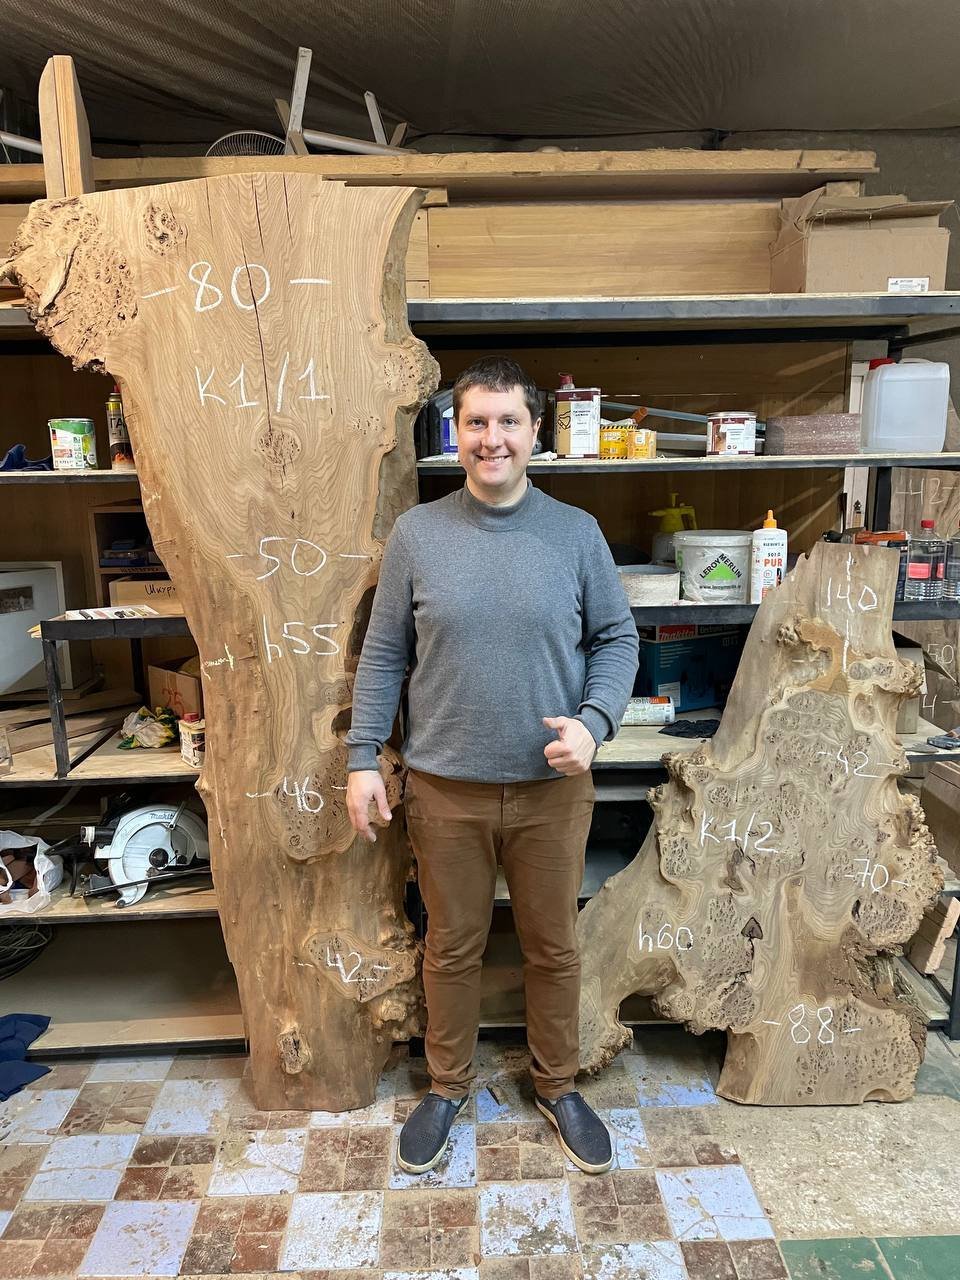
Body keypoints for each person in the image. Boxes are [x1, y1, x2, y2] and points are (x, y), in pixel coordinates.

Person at [346, 356, 638, 1176]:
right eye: (476, 422)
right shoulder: (418, 535)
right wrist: (362, 756)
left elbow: (618, 639)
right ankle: (446, 1087)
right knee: (451, 948)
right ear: (457, 433)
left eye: (508, 421)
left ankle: (558, 1084)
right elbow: (384, 654)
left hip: (552, 790)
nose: (492, 438)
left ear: (534, 432)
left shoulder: (574, 533)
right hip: (445, 789)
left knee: (554, 946)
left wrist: (594, 724)